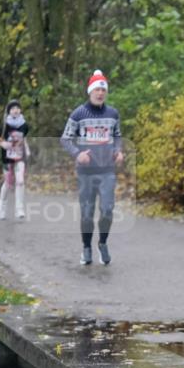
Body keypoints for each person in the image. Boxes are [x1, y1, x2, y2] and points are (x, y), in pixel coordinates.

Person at [60, 70, 124, 265]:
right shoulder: (78, 114)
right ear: (90, 91)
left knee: (107, 210)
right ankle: (86, 248)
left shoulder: (113, 114)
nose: (100, 93)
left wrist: (118, 151)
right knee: (87, 214)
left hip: (107, 170)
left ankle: (102, 243)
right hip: (86, 173)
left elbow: (117, 136)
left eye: (103, 90)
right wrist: (77, 154)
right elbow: (65, 139)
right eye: (97, 89)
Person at [0, 100, 30, 220]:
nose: (16, 110)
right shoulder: (4, 126)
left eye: (18, 108)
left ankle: (19, 209)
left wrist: (27, 149)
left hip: (20, 156)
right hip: (7, 158)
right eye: (13, 108)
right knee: (8, 183)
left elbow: (24, 138)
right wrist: (5, 144)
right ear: (9, 111)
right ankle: (2, 207)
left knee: (20, 181)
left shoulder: (24, 125)